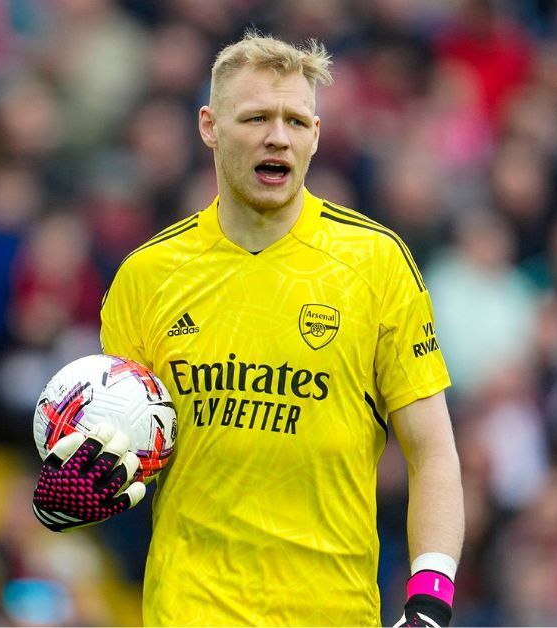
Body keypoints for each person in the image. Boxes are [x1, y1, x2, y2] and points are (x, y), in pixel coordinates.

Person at [31, 32, 465, 626]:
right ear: (209, 126)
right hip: (189, 609)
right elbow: (126, 451)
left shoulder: (377, 264)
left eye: (296, 120)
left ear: (316, 134)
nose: (278, 137)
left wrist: (431, 595)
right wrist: (70, 506)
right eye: (257, 117)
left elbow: (432, 449)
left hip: (330, 611)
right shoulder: (147, 276)